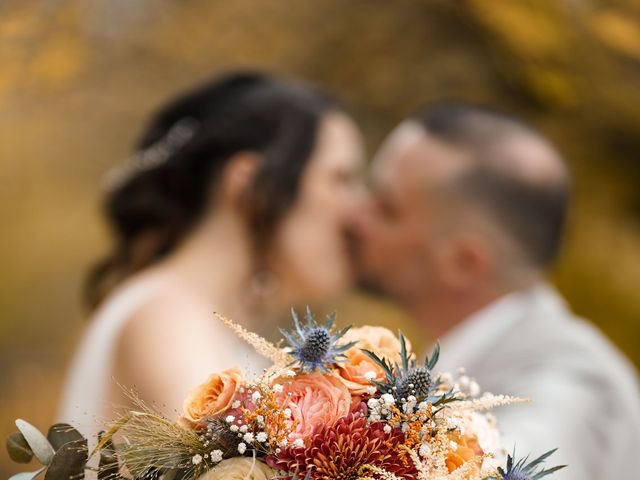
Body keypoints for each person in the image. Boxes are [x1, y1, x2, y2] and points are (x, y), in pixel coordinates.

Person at [58, 72, 365, 437]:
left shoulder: (193, 317)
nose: (359, 210)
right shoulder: (165, 317)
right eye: (340, 179)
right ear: (251, 185)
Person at [351, 103, 640, 479]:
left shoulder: (571, 382)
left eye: (386, 207)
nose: (356, 214)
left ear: (463, 263)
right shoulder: (482, 357)